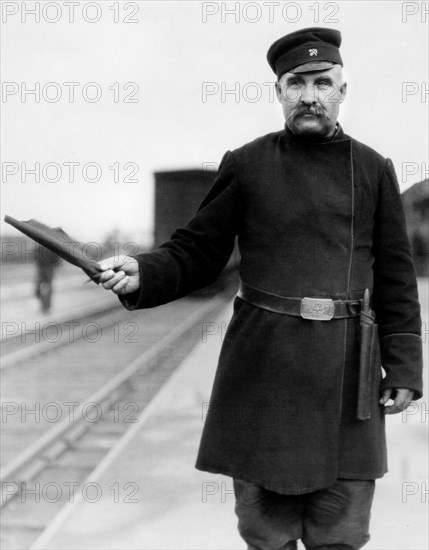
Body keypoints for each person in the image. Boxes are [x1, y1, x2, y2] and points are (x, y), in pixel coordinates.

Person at [98, 28, 423, 550]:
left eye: (323, 82)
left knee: (340, 529)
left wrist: (404, 365)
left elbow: (395, 278)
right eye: (295, 83)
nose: (310, 95)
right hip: (262, 366)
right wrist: (143, 271)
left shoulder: (373, 169)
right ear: (279, 91)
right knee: (264, 530)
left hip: (346, 372)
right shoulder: (247, 163)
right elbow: (195, 250)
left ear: (343, 89)